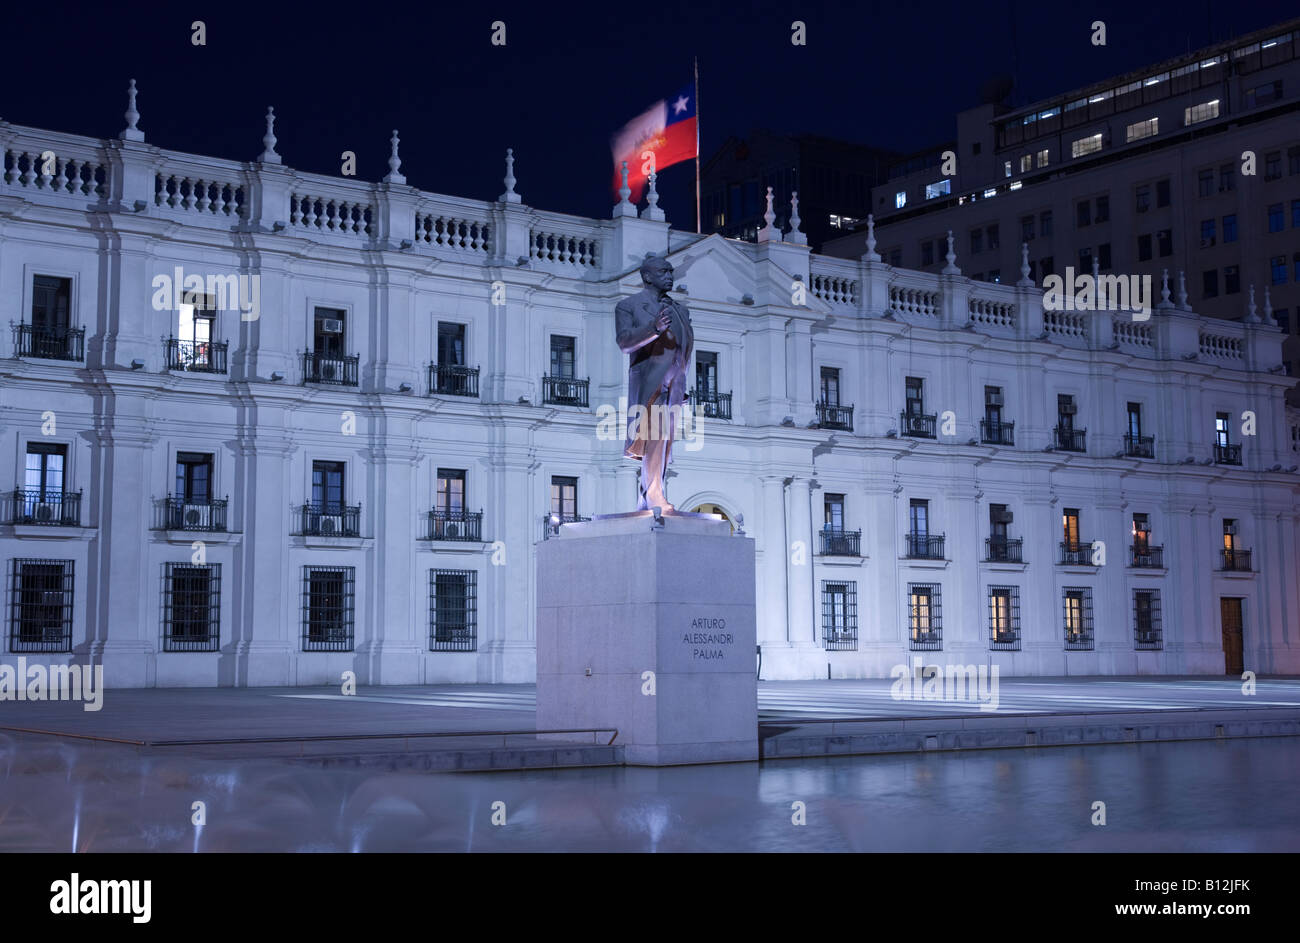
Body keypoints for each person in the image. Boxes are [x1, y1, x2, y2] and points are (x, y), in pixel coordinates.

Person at [615, 256, 694, 511]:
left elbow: (683, 348)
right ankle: (654, 495)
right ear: (647, 276)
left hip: (674, 386)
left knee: (665, 444)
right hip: (650, 383)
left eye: (671, 271)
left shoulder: (681, 311)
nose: (670, 276)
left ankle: (646, 497)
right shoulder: (629, 306)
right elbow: (625, 343)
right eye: (663, 271)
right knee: (654, 437)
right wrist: (654, 328)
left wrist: (681, 381)